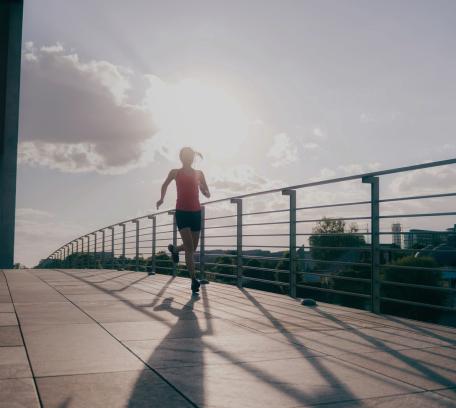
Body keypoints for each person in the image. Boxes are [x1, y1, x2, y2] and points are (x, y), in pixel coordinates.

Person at [156, 147, 210, 293]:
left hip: (196, 213)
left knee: (192, 247)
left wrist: (202, 188)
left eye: (190, 156)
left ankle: (174, 249)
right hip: (182, 212)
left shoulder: (199, 174)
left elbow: (208, 194)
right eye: (185, 156)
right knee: (190, 249)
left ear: (193, 158)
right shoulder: (175, 172)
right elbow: (165, 184)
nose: (188, 158)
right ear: (181, 158)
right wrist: (161, 199)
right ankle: (194, 280)